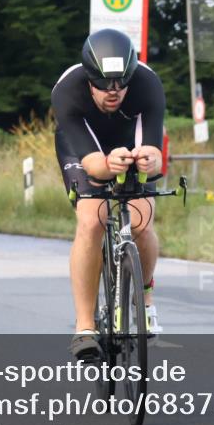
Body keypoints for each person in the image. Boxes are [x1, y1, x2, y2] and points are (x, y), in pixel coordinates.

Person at [51, 28, 166, 359]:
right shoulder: (68, 91)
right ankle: (85, 326)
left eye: (121, 83)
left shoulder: (148, 84)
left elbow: (156, 155)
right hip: (84, 148)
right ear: (89, 77)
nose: (113, 92)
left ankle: (145, 301)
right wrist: (107, 165)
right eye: (103, 84)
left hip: (130, 141)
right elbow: (94, 166)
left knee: (142, 220)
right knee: (92, 219)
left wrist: (148, 158)